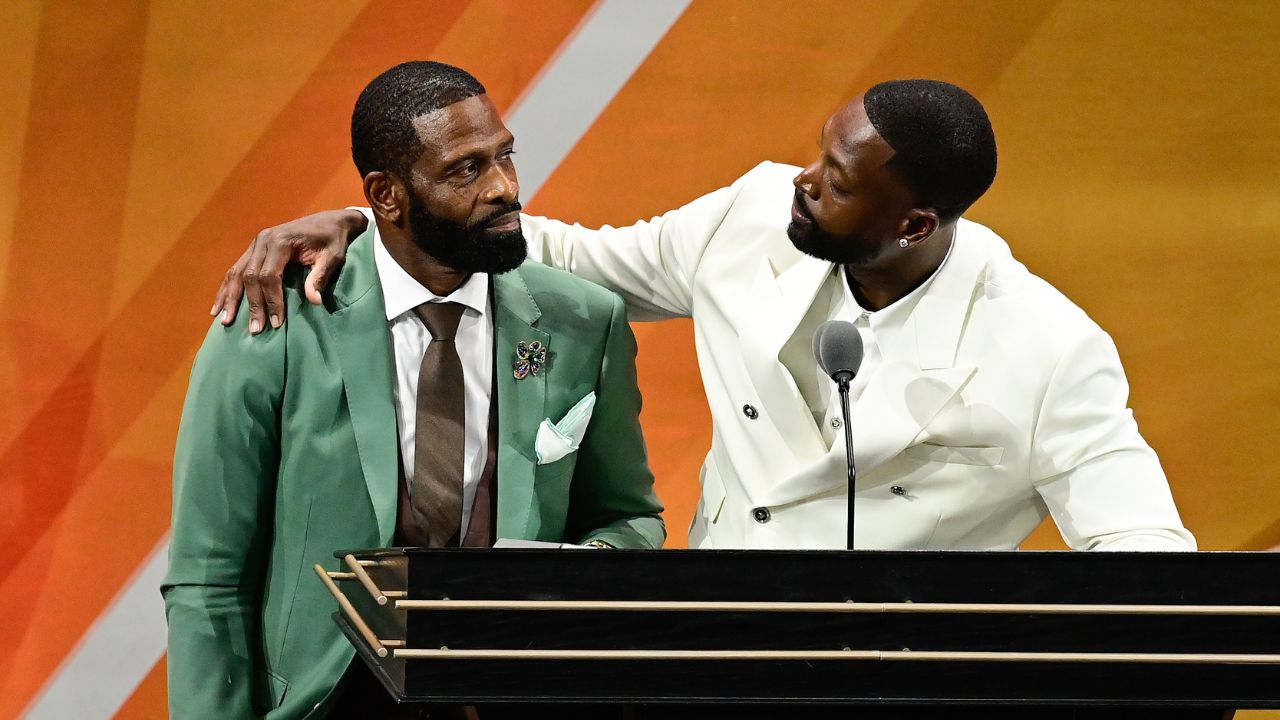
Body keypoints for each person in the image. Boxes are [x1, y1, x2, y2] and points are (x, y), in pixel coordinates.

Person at [212, 79, 1194, 552]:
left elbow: (1141, 553)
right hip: (707, 659)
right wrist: (371, 221)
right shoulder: (752, 217)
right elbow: (571, 257)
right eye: (816, 154)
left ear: (913, 223)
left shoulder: (1048, 350)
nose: (801, 182)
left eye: (836, 180)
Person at [164, 61, 664, 719]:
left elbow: (628, 518)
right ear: (387, 195)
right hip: (324, 703)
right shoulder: (277, 322)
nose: (505, 187)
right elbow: (208, 574)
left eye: (506, 156)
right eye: (466, 169)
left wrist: (576, 576)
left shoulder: (583, 321)